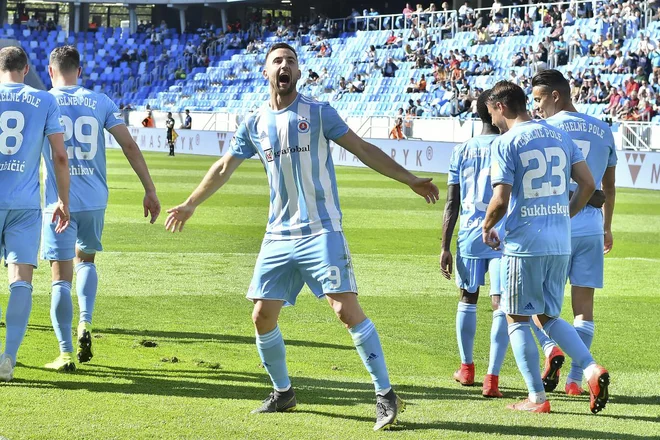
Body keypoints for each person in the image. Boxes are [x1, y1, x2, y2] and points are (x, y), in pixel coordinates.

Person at [164, 42, 439, 431]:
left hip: (321, 229)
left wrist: (409, 179)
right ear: (265, 72)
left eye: (291, 61)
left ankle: (385, 395)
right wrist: (191, 203)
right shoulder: (255, 122)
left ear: (298, 71)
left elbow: (362, 149)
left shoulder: (318, 112)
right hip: (278, 234)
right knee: (261, 316)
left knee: (345, 310)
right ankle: (283, 393)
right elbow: (225, 165)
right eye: (277, 61)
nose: (285, 66)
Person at [482, 80, 610, 414]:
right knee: (549, 315)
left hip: (526, 242)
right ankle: (592, 369)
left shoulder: (507, 141)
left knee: (517, 319)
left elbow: (500, 197)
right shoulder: (559, 136)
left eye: (490, 110)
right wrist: (565, 214)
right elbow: (588, 183)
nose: (491, 117)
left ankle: (536, 398)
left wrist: (486, 225)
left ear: (502, 107)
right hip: (559, 240)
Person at [41, 46, 161, 371]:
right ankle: (85, 321)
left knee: (59, 276)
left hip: (58, 203)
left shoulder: (43, 101)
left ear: (51, 71)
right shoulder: (101, 101)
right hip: (95, 199)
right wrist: (150, 190)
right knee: (87, 260)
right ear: (79, 71)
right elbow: (130, 145)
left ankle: (65, 354)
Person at [530, 69, 617, 396]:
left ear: (556, 95)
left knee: (534, 304)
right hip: (592, 225)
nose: (536, 107)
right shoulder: (603, 127)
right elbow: (608, 186)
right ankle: (574, 382)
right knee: (584, 308)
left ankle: (552, 350)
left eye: (539, 99)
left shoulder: (545, 128)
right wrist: (607, 226)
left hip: (555, 221)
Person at [0, 46, 71, 381]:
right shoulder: (44, 100)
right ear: (26, 69)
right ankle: (8, 358)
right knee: (21, 281)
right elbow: (59, 156)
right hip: (25, 205)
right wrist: (63, 201)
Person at [440, 89, 509, 398]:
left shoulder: (461, 150)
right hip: (501, 235)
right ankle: (491, 379)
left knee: (467, 298)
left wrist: (444, 246)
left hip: (469, 233)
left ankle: (466, 369)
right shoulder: (508, 145)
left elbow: (452, 203)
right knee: (500, 305)